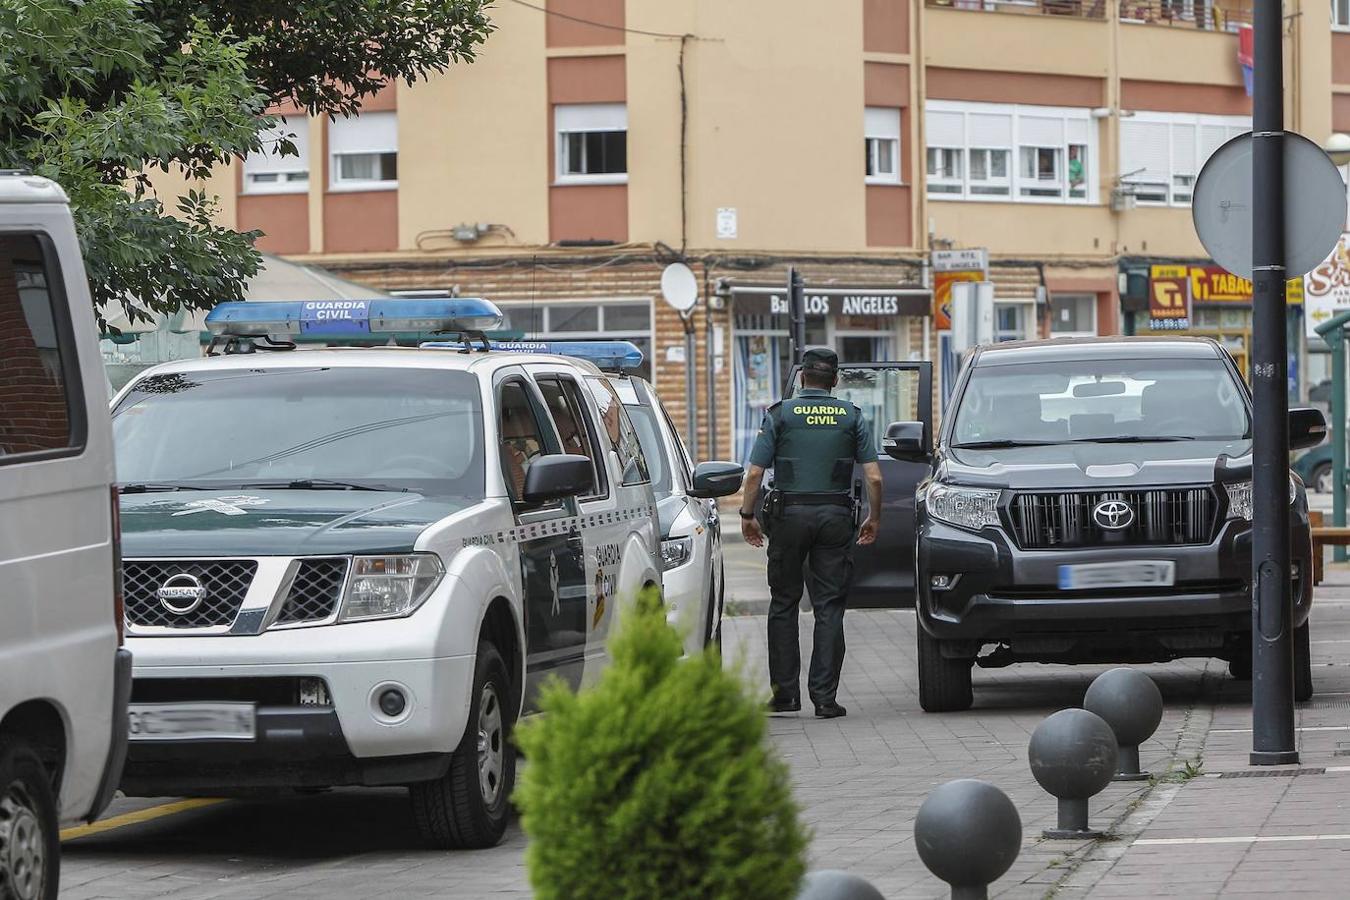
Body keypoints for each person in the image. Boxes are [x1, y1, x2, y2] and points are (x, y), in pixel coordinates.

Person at [738, 347, 882, 719]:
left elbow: (754, 473)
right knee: (829, 605)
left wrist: (747, 514)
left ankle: (785, 695)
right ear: (834, 380)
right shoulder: (851, 416)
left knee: (784, 602)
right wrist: (874, 518)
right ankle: (825, 699)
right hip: (835, 517)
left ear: (802, 377)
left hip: (788, 517)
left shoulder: (782, 413)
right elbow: (875, 476)